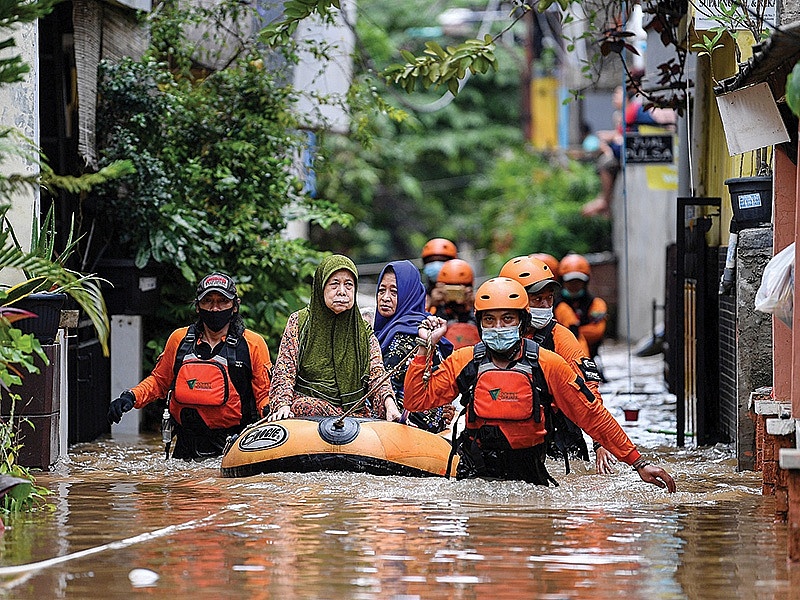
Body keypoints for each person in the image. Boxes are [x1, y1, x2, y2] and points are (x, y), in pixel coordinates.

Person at [403, 277, 676, 491]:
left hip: (531, 479)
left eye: (507, 318)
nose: (498, 327)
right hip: (476, 478)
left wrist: (637, 462)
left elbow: (591, 414)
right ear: (480, 323)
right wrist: (425, 348)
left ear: (521, 322)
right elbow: (417, 401)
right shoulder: (465, 361)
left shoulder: (548, 364)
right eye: (490, 319)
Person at [107, 272, 273, 460]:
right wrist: (130, 397)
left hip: (234, 446)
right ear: (197, 306)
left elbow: (264, 395)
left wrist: (272, 415)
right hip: (185, 446)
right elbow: (159, 382)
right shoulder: (179, 340)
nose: (215, 308)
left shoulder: (252, 344)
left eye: (222, 301)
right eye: (208, 301)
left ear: (235, 306)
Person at [500, 255, 616, 474]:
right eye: (537, 299)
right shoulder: (493, 337)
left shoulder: (560, 337)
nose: (545, 306)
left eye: (549, 298)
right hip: (507, 431)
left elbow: (587, 390)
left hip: (557, 434)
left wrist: (600, 441)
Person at [267, 254, 402, 422]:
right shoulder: (300, 322)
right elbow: (285, 369)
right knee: (304, 406)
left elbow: (377, 373)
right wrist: (282, 405)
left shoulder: (363, 331)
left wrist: (390, 406)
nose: (342, 292)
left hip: (354, 414)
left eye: (349, 285)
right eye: (334, 284)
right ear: (320, 287)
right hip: (307, 411)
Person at [373, 260, 455, 432]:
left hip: (404, 430)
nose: (385, 297)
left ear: (408, 295)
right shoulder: (419, 326)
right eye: (381, 290)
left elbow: (379, 385)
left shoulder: (405, 335)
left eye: (394, 292)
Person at [555, 253, 608, 364]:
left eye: (578, 281)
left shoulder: (595, 303)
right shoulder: (556, 304)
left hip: (591, 355)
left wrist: (575, 332)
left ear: (585, 282)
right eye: (570, 281)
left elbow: (597, 331)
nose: (574, 285)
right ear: (563, 281)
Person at [431, 258, 481, 350]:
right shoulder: (436, 311)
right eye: (450, 289)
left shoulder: (476, 311)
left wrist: (475, 304)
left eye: (458, 289)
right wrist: (432, 304)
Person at [420, 237, 458, 308]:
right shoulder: (420, 295)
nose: (436, 265)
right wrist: (431, 305)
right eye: (431, 261)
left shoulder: (462, 288)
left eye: (441, 260)